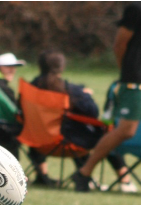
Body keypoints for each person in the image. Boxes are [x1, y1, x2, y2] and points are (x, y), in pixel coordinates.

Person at [72, 1, 141, 192]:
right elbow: (119, 44)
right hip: (136, 81)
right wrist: (128, 72)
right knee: (126, 131)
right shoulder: (139, 8)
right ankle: (84, 172)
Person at [27, 50, 131, 188]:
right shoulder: (71, 90)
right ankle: (124, 181)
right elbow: (92, 112)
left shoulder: (28, 89)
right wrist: (86, 94)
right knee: (107, 136)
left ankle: (42, 176)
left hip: (36, 141)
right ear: (62, 67)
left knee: (73, 129)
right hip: (66, 143)